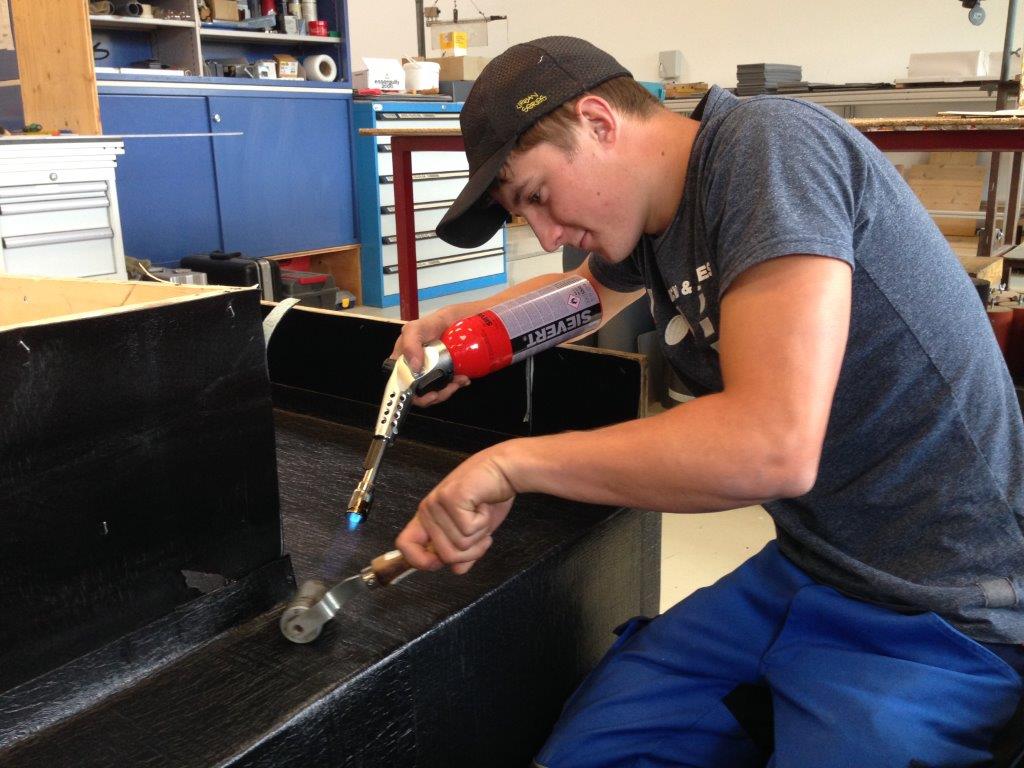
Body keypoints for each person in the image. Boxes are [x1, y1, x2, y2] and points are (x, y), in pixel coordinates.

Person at [392, 35, 1024, 766]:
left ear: (598, 122)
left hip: (943, 605)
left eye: (536, 196)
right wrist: (473, 326)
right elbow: (587, 295)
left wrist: (511, 465)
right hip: (810, 568)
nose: (546, 232)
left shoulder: (770, 149)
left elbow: (771, 447)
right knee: (586, 753)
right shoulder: (653, 216)